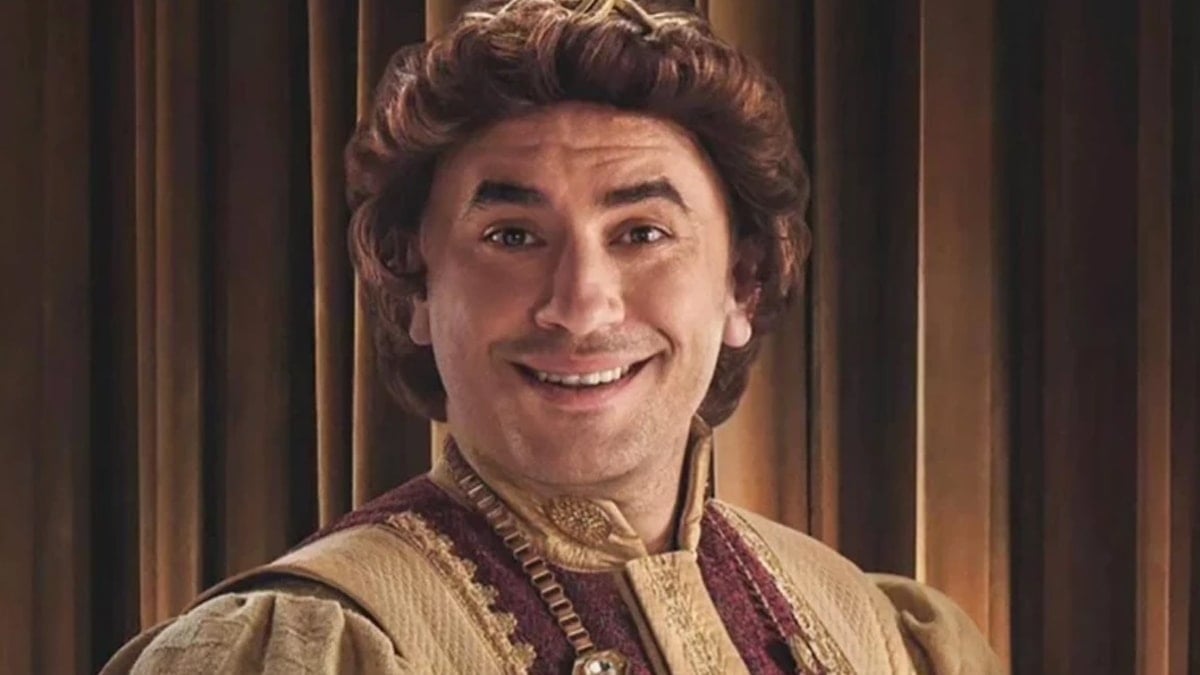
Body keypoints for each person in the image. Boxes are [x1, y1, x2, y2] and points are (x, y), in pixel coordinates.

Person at [104, 0, 1002, 672]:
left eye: (642, 233)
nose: (580, 306)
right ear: (416, 290)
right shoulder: (311, 647)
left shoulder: (878, 634)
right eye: (511, 237)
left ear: (743, 284)